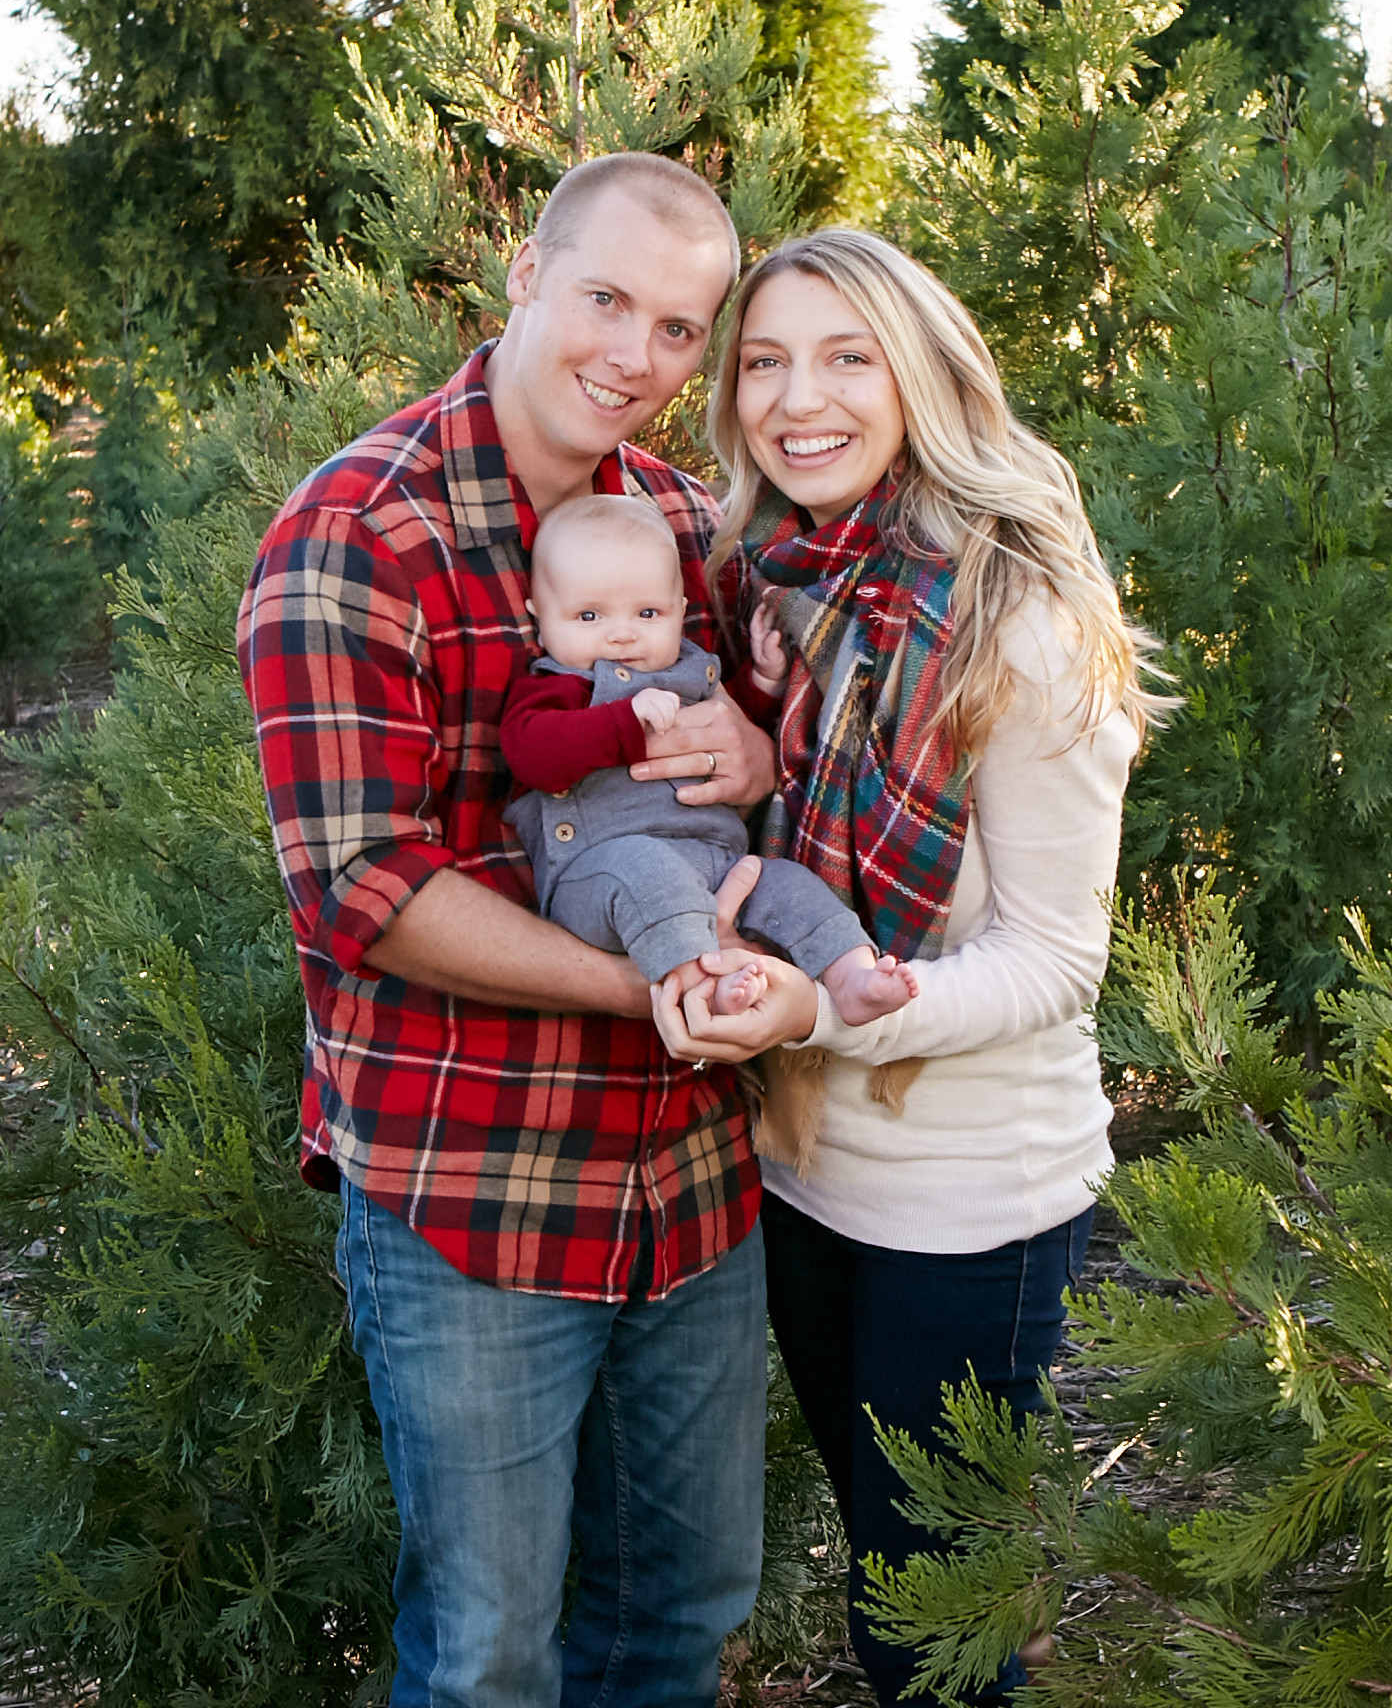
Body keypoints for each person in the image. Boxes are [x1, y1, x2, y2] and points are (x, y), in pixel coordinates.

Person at [236, 152, 820, 1708]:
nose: (637, 356)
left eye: (681, 329)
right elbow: (365, 889)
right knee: (488, 1656)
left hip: (690, 1187)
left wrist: (757, 753)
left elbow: (777, 766)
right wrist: (651, 984)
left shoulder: (687, 527)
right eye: (607, 300)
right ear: (524, 276)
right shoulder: (356, 535)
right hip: (475, 1189)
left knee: (680, 1617)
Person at [652, 228, 1167, 1706]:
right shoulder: (780, 590)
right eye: (763, 361)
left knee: (928, 1642)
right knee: (911, 1593)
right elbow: (781, 834)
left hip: (969, 1207)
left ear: (923, 374)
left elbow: (1056, 960)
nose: (795, 398)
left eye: (846, 356)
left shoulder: (1021, 620)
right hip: (805, 1173)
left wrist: (834, 1007)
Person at [500, 491, 919, 1021]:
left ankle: (852, 975)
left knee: (791, 885)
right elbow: (532, 755)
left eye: (647, 612)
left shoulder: (690, 670)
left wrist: (762, 683)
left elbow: (727, 728)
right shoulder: (556, 689)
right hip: (602, 874)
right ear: (540, 619)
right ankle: (702, 986)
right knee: (649, 875)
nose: (621, 633)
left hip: (718, 863)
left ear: (679, 611)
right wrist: (624, 722)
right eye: (588, 615)